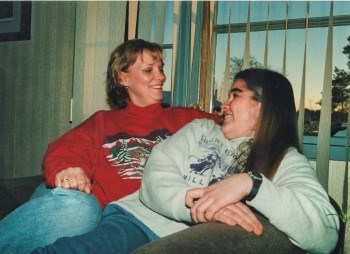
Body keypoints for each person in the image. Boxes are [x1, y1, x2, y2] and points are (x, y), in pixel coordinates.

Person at [33, 68, 339, 254]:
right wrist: (198, 202)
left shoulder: (285, 160)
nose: (225, 104)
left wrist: (251, 184)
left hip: (184, 241)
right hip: (139, 219)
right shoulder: (200, 129)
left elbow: (325, 233)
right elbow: (156, 173)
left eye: (235, 94)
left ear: (264, 106)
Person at [0, 39, 218, 253]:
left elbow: (237, 129)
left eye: (160, 69)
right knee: (79, 208)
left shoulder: (188, 119)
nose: (160, 76)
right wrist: (68, 169)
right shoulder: (103, 121)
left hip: (146, 220)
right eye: (148, 70)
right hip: (96, 215)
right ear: (123, 78)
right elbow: (64, 150)